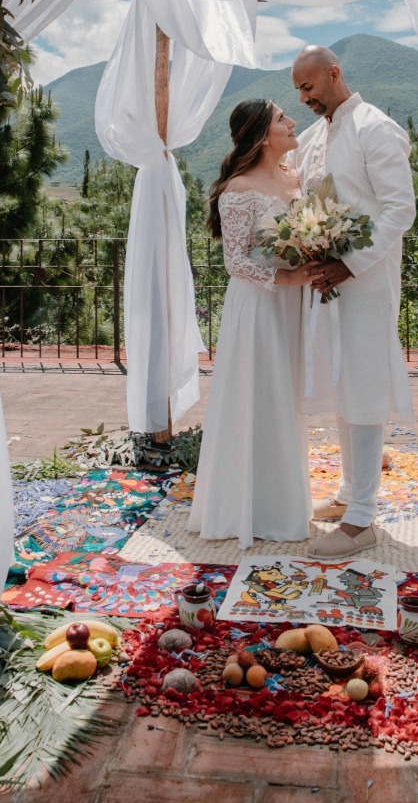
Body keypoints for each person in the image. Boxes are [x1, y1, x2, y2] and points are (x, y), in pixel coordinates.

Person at [291, 46, 416, 558]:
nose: (302, 98)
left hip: (366, 283)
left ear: (334, 73)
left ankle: (363, 517)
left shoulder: (375, 127)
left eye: (308, 87)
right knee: (343, 385)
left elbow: (399, 208)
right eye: (298, 90)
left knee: (363, 387)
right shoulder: (313, 136)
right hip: (328, 284)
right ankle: (347, 495)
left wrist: (350, 263)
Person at [188, 99, 316, 548]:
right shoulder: (239, 189)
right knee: (258, 397)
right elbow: (235, 261)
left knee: (287, 397)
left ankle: (284, 500)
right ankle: (248, 507)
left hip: (292, 302)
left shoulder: (295, 177)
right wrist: (286, 275)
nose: (293, 122)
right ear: (263, 135)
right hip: (260, 304)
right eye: (283, 118)